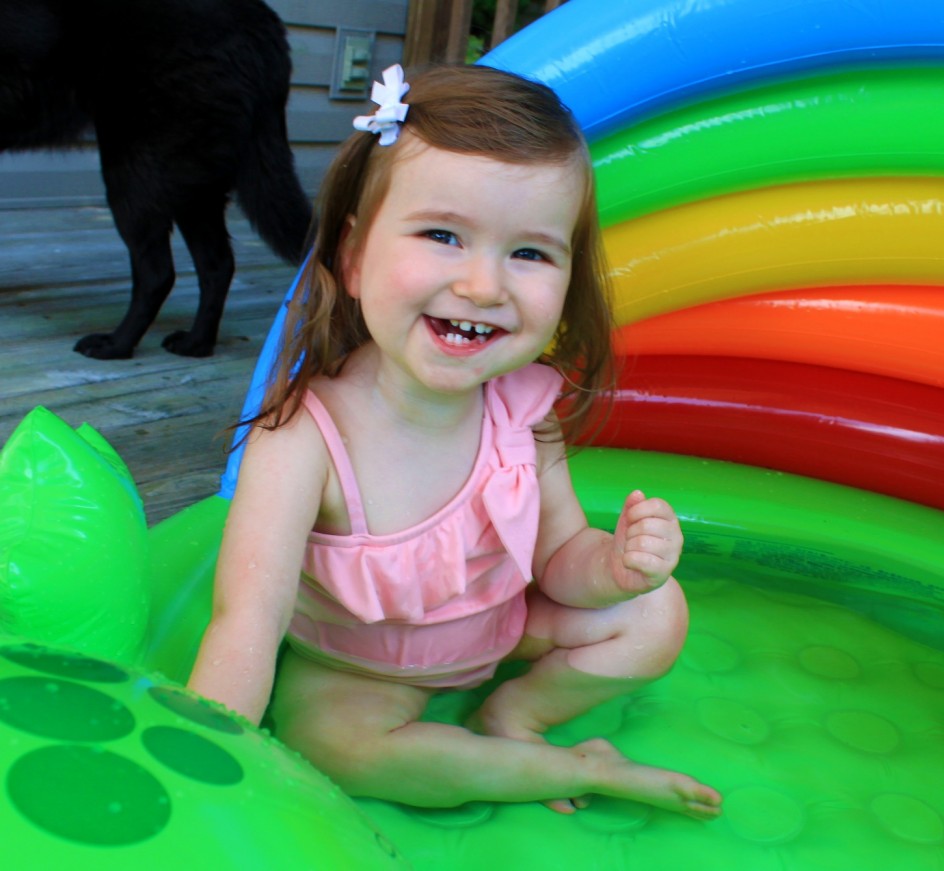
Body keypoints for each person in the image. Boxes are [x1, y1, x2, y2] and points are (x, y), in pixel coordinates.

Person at [188, 63, 722, 820]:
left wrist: (615, 566)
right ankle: (563, 767)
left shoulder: (524, 410)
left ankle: (518, 715)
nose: (482, 285)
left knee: (657, 613)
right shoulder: (307, 437)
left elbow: (557, 561)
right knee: (331, 747)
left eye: (530, 252)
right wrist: (208, 763)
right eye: (443, 235)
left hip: (501, 632)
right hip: (355, 668)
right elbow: (249, 618)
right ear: (355, 257)